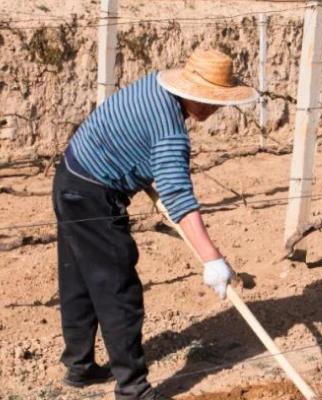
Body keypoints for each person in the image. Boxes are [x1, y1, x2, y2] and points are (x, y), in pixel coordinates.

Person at [51, 49, 257, 400]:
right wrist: (212, 259)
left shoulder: (155, 86)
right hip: (93, 194)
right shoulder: (170, 131)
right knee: (119, 290)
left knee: (81, 278)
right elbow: (177, 195)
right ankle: (133, 389)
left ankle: (80, 367)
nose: (211, 108)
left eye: (216, 101)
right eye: (207, 100)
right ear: (189, 91)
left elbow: (141, 142)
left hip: (70, 177)